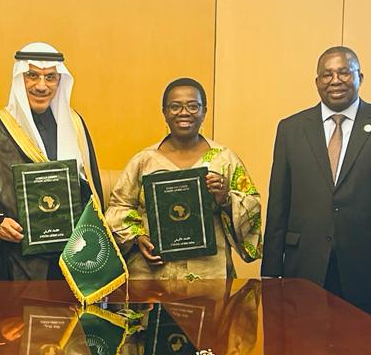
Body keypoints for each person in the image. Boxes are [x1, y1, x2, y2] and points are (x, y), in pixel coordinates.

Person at [262, 46, 371, 320]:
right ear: (317, 81)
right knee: (305, 345)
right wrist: (271, 274)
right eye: (327, 74)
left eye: (344, 72)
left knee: (362, 345)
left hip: (368, 268)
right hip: (305, 267)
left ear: (360, 77)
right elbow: (278, 204)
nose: (335, 81)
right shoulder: (291, 128)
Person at [0, 42, 102, 280]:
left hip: (71, 258)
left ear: (60, 81)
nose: (41, 86)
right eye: (32, 76)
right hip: (15, 262)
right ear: (20, 78)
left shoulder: (75, 125)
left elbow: (90, 191)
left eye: (50, 77)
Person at [106, 78, 261, 280]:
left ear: (204, 111)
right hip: (152, 273)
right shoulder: (144, 161)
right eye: (175, 106)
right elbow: (118, 206)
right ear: (164, 112)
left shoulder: (224, 159)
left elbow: (253, 207)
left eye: (193, 106)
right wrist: (137, 236)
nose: (184, 112)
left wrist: (226, 198)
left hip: (209, 273)